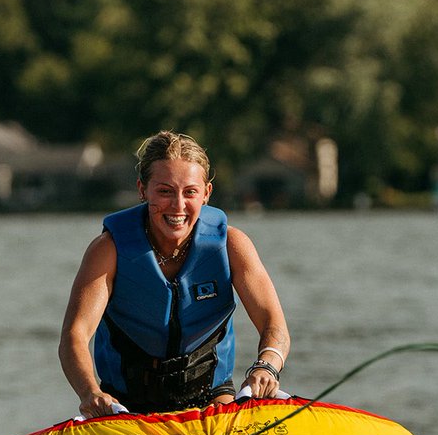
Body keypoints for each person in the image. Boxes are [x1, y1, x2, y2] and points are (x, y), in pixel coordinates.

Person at [59, 131, 290, 418]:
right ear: (143, 190)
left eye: (190, 192)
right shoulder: (108, 250)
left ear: (206, 193)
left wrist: (267, 366)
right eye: (165, 191)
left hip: (213, 400)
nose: (178, 206)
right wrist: (90, 392)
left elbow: (273, 324)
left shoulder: (232, 245)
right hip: (124, 409)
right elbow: (75, 336)